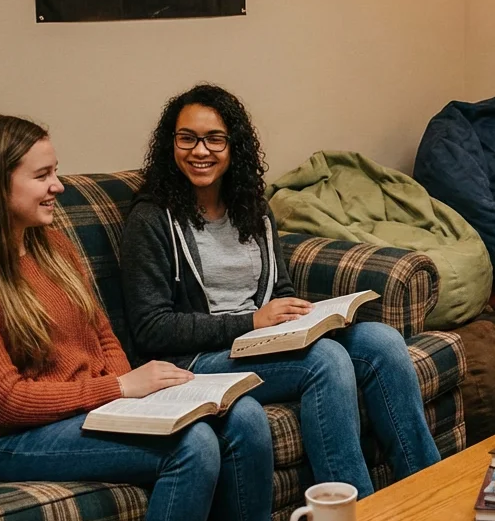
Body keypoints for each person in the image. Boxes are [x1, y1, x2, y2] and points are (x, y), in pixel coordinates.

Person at [0, 114, 272, 521]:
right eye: (42, 176)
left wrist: (137, 398)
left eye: (55, 171)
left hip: (91, 408)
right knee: (192, 446)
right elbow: (4, 402)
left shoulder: (51, 245)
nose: (58, 186)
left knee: (245, 415)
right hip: (8, 440)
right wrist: (120, 389)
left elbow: (102, 335)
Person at [120, 84, 439, 498]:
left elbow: (279, 288)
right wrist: (252, 322)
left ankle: (428, 492)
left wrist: (307, 320)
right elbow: (152, 328)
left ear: (233, 146)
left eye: (214, 139)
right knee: (325, 361)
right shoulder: (151, 219)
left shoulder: (251, 207)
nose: (200, 151)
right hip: (195, 360)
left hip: (259, 342)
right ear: (171, 144)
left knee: (382, 341)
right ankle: (352, 514)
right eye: (187, 138)